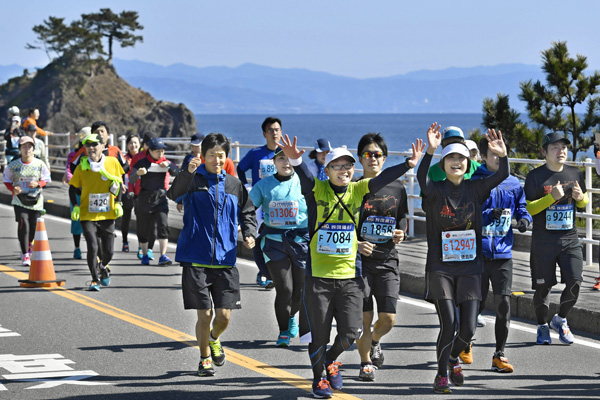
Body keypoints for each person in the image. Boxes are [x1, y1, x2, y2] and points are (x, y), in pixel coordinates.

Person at [278, 134, 424, 399]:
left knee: (351, 332)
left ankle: (331, 361)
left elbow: (382, 178)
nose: (344, 170)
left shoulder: (359, 190)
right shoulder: (317, 191)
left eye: (348, 166)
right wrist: (296, 159)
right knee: (319, 336)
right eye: (337, 166)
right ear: (327, 170)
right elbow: (305, 176)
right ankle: (319, 380)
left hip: (350, 276)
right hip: (319, 277)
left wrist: (408, 164)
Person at [418, 123, 508, 394]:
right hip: (440, 268)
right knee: (449, 323)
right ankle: (441, 374)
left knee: (467, 329)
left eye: (461, 158)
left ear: (468, 164)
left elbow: (502, 174)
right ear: (444, 164)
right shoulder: (434, 191)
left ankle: (454, 357)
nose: (456, 162)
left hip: (470, 266)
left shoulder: (477, 189)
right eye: (450, 158)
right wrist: (430, 151)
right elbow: (422, 175)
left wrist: (502, 154)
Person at [167, 133, 256, 377]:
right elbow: (173, 194)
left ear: (227, 157)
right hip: (196, 257)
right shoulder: (193, 180)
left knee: (224, 317)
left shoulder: (234, 184)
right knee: (204, 315)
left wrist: (249, 233)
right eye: (211, 155)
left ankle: (214, 339)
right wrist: (186, 172)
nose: (216, 160)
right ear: (202, 156)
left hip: (226, 260)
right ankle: (204, 357)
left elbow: (247, 212)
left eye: (221, 156)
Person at [467, 137, 532, 373]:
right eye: (493, 154)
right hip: (478, 253)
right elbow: (465, 214)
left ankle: (499, 355)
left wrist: (524, 219)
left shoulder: (513, 182)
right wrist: (486, 216)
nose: (498, 157)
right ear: (483, 157)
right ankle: (465, 342)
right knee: (478, 302)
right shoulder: (474, 181)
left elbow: (522, 207)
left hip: (503, 253)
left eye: (501, 154)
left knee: (504, 303)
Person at [354, 133, 409, 382]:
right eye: (368, 154)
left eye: (377, 155)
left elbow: (402, 217)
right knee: (364, 318)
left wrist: (401, 233)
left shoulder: (398, 187)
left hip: (387, 259)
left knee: (388, 319)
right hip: (360, 263)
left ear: (385, 159)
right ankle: (365, 363)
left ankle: (375, 341)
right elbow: (342, 223)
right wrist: (356, 244)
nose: (372, 158)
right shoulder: (353, 188)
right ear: (360, 158)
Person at [524, 132, 588, 345]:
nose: (561, 151)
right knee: (543, 288)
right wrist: (551, 197)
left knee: (575, 281)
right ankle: (542, 326)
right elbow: (529, 209)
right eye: (555, 148)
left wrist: (580, 199)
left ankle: (560, 319)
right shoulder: (535, 177)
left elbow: (583, 202)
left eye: (564, 147)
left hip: (570, 239)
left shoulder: (575, 173)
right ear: (544, 152)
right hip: (544, 241)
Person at [249, 148, 308, 347]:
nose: (286, 162)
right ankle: (283, 330)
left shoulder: (305, 182)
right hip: (274, 241)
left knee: (299, 290)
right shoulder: (263, 185)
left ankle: (292, 316)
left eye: (290, 158)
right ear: (273, 162)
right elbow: (248, 209)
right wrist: (247, 230)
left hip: (300, 241)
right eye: (281, 158)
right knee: (284, 289)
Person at [69, 134, 124, 291]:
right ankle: (94, 279)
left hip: (107, 213)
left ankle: (102, 266)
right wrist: (76, 206)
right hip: (88, 214)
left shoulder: (112, 162)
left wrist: (119, 202)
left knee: (110, 251)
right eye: (88, 146)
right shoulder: (82, 167)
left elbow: (118, 183)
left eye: (95, 144)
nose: (91, 148)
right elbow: (72, 189)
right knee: (92, 247)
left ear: (102, 146)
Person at [237, 117, 283, 288]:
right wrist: (247, 186)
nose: (274, 133)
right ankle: (265, 273)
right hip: (258, 204)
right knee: (257, 237)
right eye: (270, 130)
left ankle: (270, 272)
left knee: (274, 238)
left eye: (277, 129)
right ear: (265, 134)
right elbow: (240, 168)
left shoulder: (284, 153)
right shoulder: (256, 153)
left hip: (278, 204)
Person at [130, 137, 179, 265]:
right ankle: (145, 254)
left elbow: (178, 172)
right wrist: (138, 174)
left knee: (163, 225)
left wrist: (169, 165)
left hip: (160, 198)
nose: (160, 154)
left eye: (162, 151)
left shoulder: (165, 162)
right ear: (150, 151)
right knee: (144, 229)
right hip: (145, 198)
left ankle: (163, 255)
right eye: (158, 151)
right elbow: (131, 179)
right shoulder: (142, 162)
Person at [3, 136, 51, 266]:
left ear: (34, 149)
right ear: (19, 149)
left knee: (33, 226)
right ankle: (25, 255)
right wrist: (13, 189)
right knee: (24, 223)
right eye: (24, 146)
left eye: (30, 146)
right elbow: (6, 179)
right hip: (19, 199)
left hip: (35, 200)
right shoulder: (14, 165)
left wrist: (38, 184)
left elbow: (47, 178)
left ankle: (30, 245)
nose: (27, 149)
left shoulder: (40, 164)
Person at [62, 127, 91, 260]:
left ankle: (92, 248)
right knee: (76, 221)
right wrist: (75, 183)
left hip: (92, 193)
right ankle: (77, 247)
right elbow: (69, 171)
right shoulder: (73, 155)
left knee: (92, 221)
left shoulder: (98, 155)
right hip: (78, 192)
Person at [120, 134, 141, 252]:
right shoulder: (123, 158)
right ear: (127, 145)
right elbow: (120, 173)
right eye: (130, 143)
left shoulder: (143, 157)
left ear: (140, 144)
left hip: (139, 191)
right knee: (126, 218)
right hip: (127, 191)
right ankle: (124, 242)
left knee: (140, 219)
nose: (133, 145)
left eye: (135, 142)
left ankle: (140, 244)